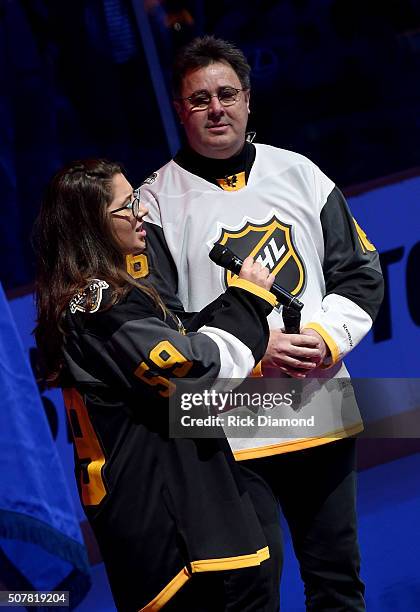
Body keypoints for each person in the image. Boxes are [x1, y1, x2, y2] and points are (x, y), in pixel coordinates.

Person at [140, 36, 384, 611]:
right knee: (251, 597)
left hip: (315, 405)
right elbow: (161, 321)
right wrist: (253, 349)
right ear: (180, 110)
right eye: (200, 99)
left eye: (227, 94)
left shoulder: (300, 173)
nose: (216, 108)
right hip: (224, 430)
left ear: (248, 99)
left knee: (338, 585)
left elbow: (360, 273)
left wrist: (323, 339)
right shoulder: (154, 202)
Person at [33, 159, 282, 612]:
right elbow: (191, 374)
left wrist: (241, 323)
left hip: (174, 504)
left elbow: (175, 338)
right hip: (171, 521)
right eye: (126, 205)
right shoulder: (101, 306)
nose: (141, 211)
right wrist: (248, 302)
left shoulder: (96, 296)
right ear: (91, 224)